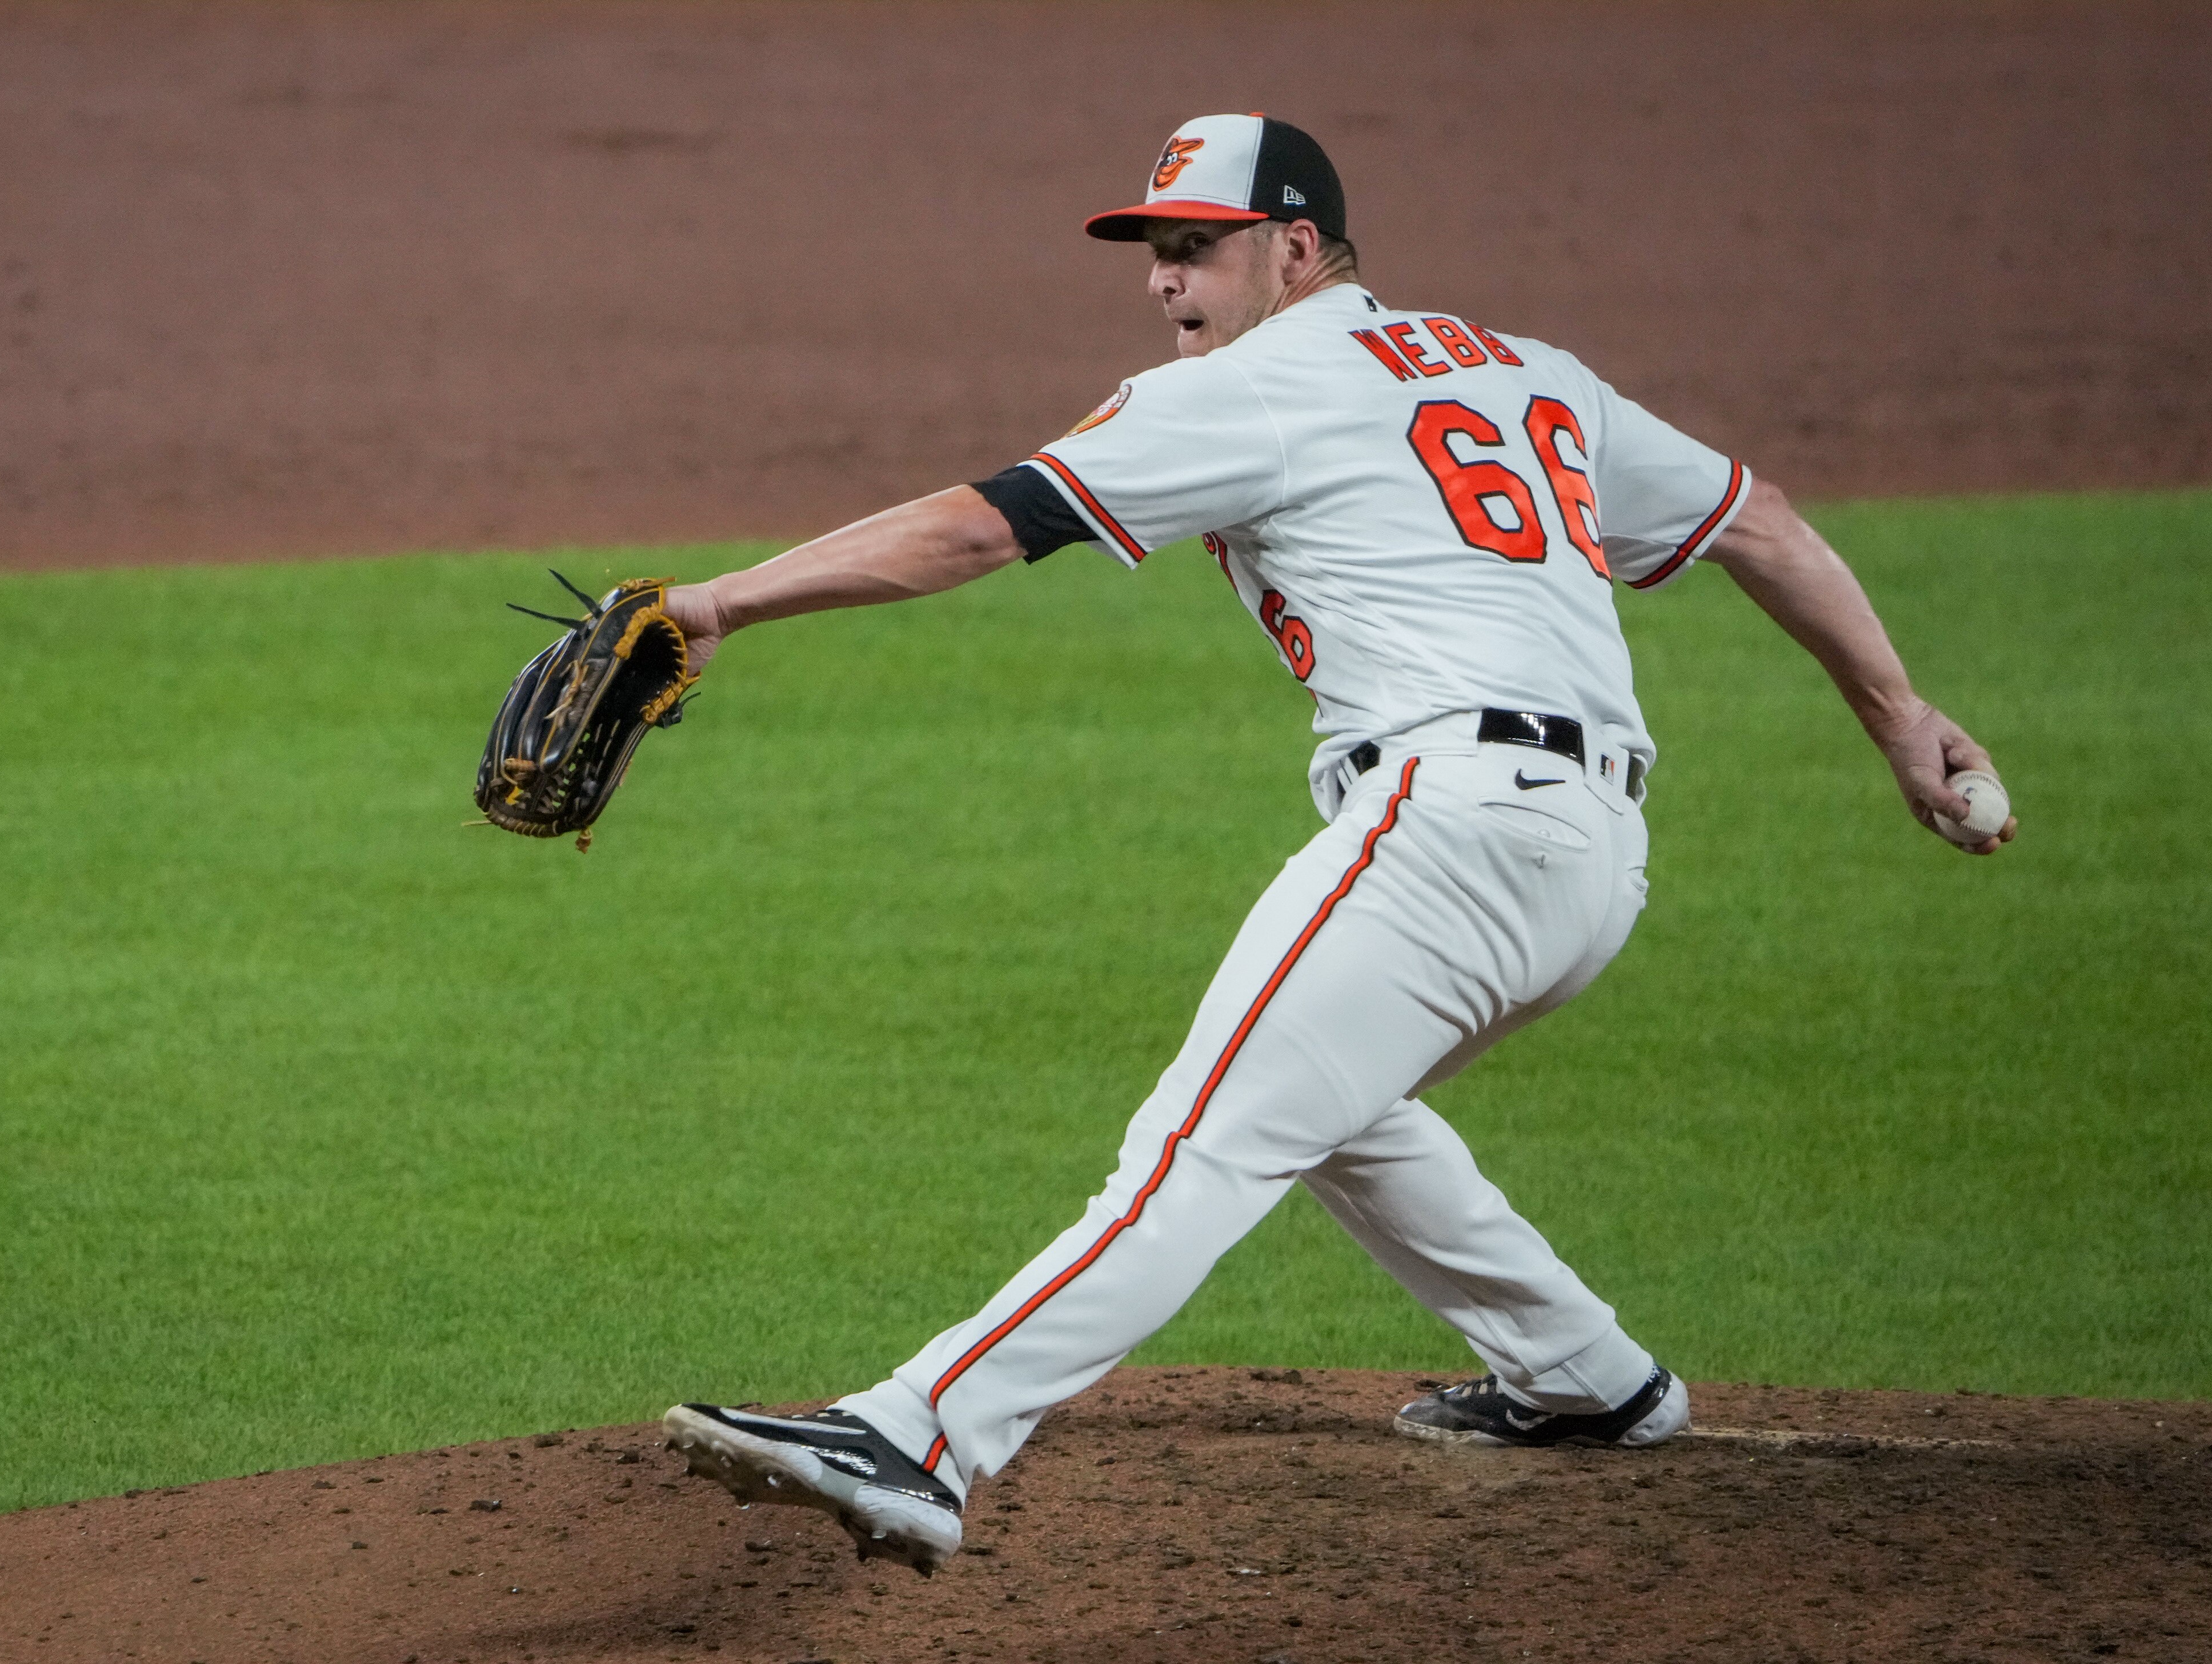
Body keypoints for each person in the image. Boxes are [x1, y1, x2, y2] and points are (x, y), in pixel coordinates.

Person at [656, 114, 2013, 1575]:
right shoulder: (1528, 370)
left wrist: (720, 604)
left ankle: (923, 1433)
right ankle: (1584, 1373)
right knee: (1329, 1105)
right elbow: (1761, 522)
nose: (1169, 284)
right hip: (1592, 857)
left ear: (1297, 248)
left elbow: (977, 531)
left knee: (1201, 1139)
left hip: (1450, 833)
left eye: (1201, 250)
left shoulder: (1257, 389)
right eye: (1156, 255)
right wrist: (1899, 714)